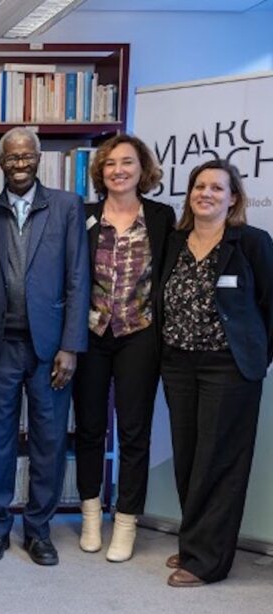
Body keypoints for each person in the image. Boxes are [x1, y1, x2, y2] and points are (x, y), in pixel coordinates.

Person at [0, 126, 89, 566]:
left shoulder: (66, 207)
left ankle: (38, 530)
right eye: (11, 158)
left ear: (39, 159)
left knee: (49, 441)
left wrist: (71, 346)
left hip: (51, 349)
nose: (20, 164)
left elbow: (78, 278)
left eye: (27, 157)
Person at [158, 160, 273, 587]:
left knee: (218, 462)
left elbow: (268, 307)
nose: (206, 193)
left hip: (229, 367)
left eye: (216, 188)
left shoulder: (252, 244)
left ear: (234, 198)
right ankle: (195, 544)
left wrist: (255, 358)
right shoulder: (174, 242)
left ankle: (208, 561)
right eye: (198, 186)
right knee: (188, 457)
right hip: (178, 364)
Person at [73, 135, 175, 562]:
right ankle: (91, 515)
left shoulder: (162, 216)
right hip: (92, 333)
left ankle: (127, 519)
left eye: (128, 162)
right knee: (91, 428)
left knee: (134, 432)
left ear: (142, 169)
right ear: (101, 171)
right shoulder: (84, 215)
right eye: (111, 163)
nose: (119, 170)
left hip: (139, 334)